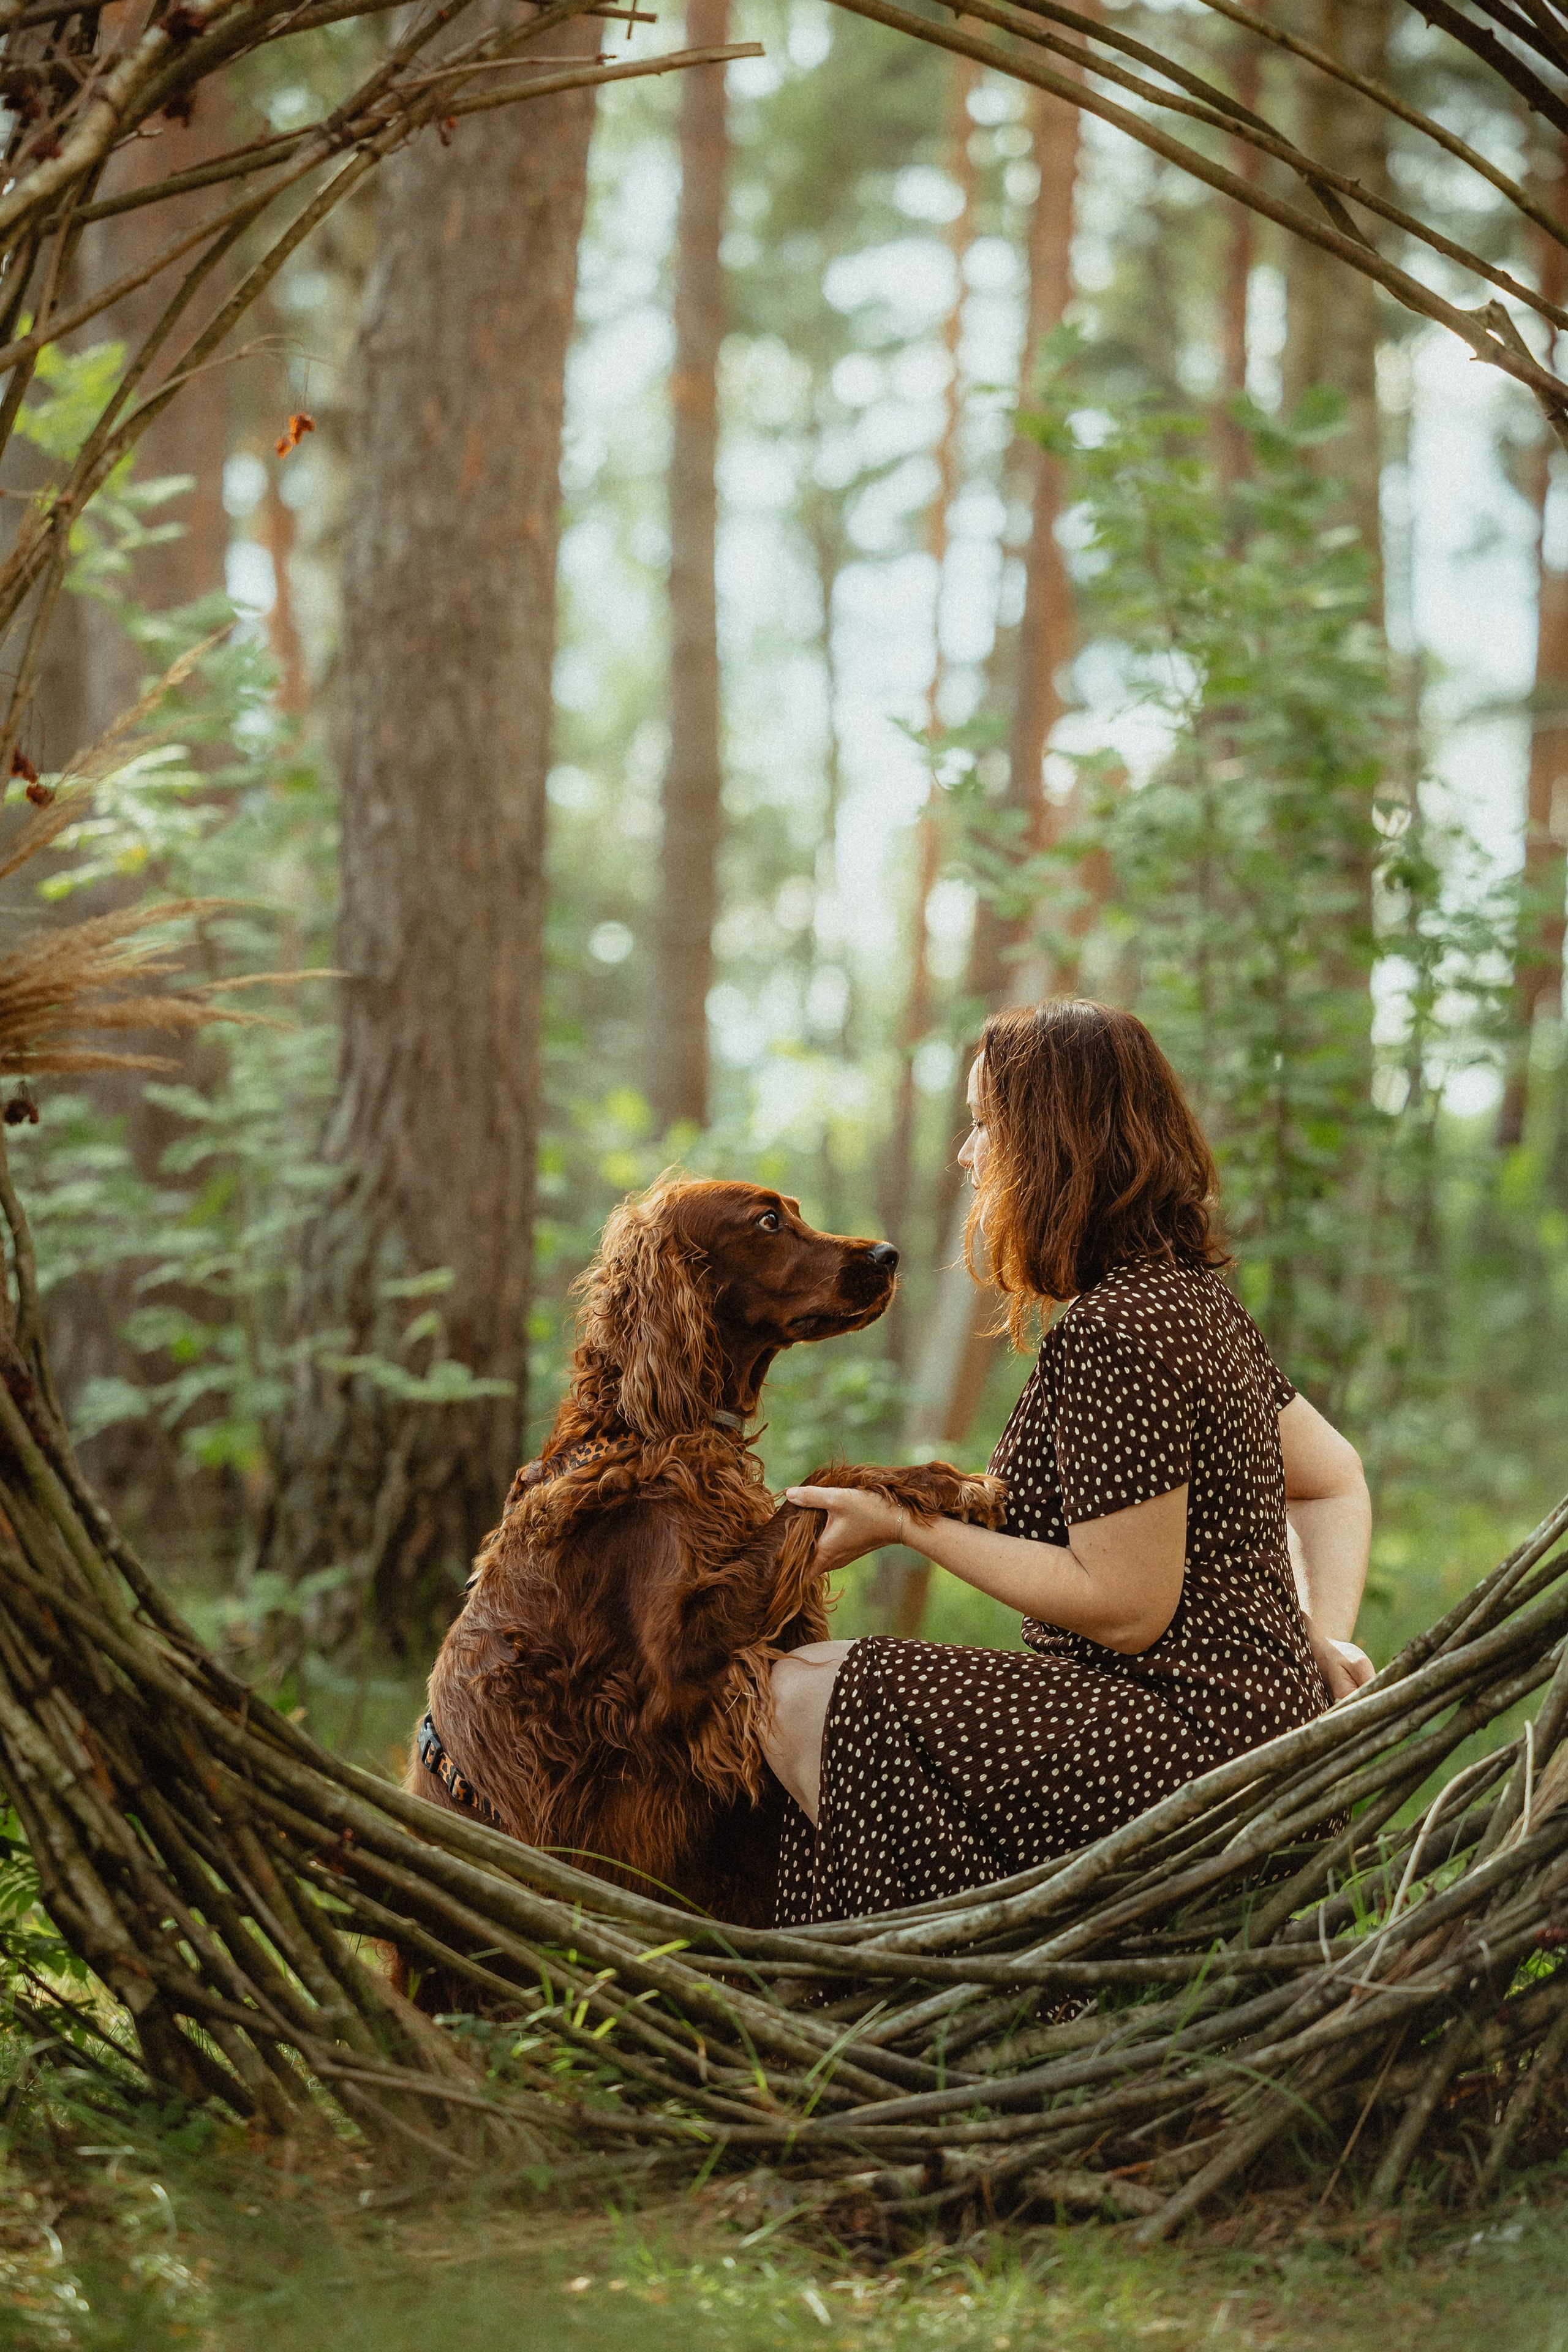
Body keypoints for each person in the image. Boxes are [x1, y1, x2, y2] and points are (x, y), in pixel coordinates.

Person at [763, 999, 1373, 1926]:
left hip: (1190, 1749)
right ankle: (997, 1972)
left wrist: (903, 1526)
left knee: (819, 1695)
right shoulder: (1187, 1302)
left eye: (985, 1126)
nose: (968, 1155)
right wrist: (1315, 1644)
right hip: (1250, 1729)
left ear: (1056, 1145)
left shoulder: (1117, 1330)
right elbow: (1336, 1478)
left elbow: (1126, 1608)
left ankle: (983, 1990)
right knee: (810, 1683)